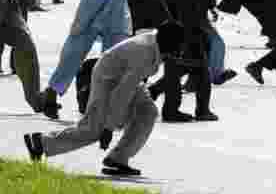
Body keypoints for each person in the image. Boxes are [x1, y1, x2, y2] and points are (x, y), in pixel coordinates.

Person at [23, 21, 186, 177]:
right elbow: (122, 94)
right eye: (177, 46)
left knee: (148, 112)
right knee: (94, 130)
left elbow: (130, 84)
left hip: (126, 78)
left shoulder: (156, 43)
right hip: (107, 79)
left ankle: (118, 158)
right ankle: (42, 143)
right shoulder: (144, 53)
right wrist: (109, 127)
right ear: (168, 42)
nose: (178, 50)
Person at [153, 0, 219, 122]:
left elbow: (210, 3)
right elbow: (165, 0)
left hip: (199, 32)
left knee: (202, 72)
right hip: (180, 32)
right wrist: (172, 25)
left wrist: (212, 12)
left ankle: (202, 110)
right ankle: (171, 110)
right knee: (175, 70)